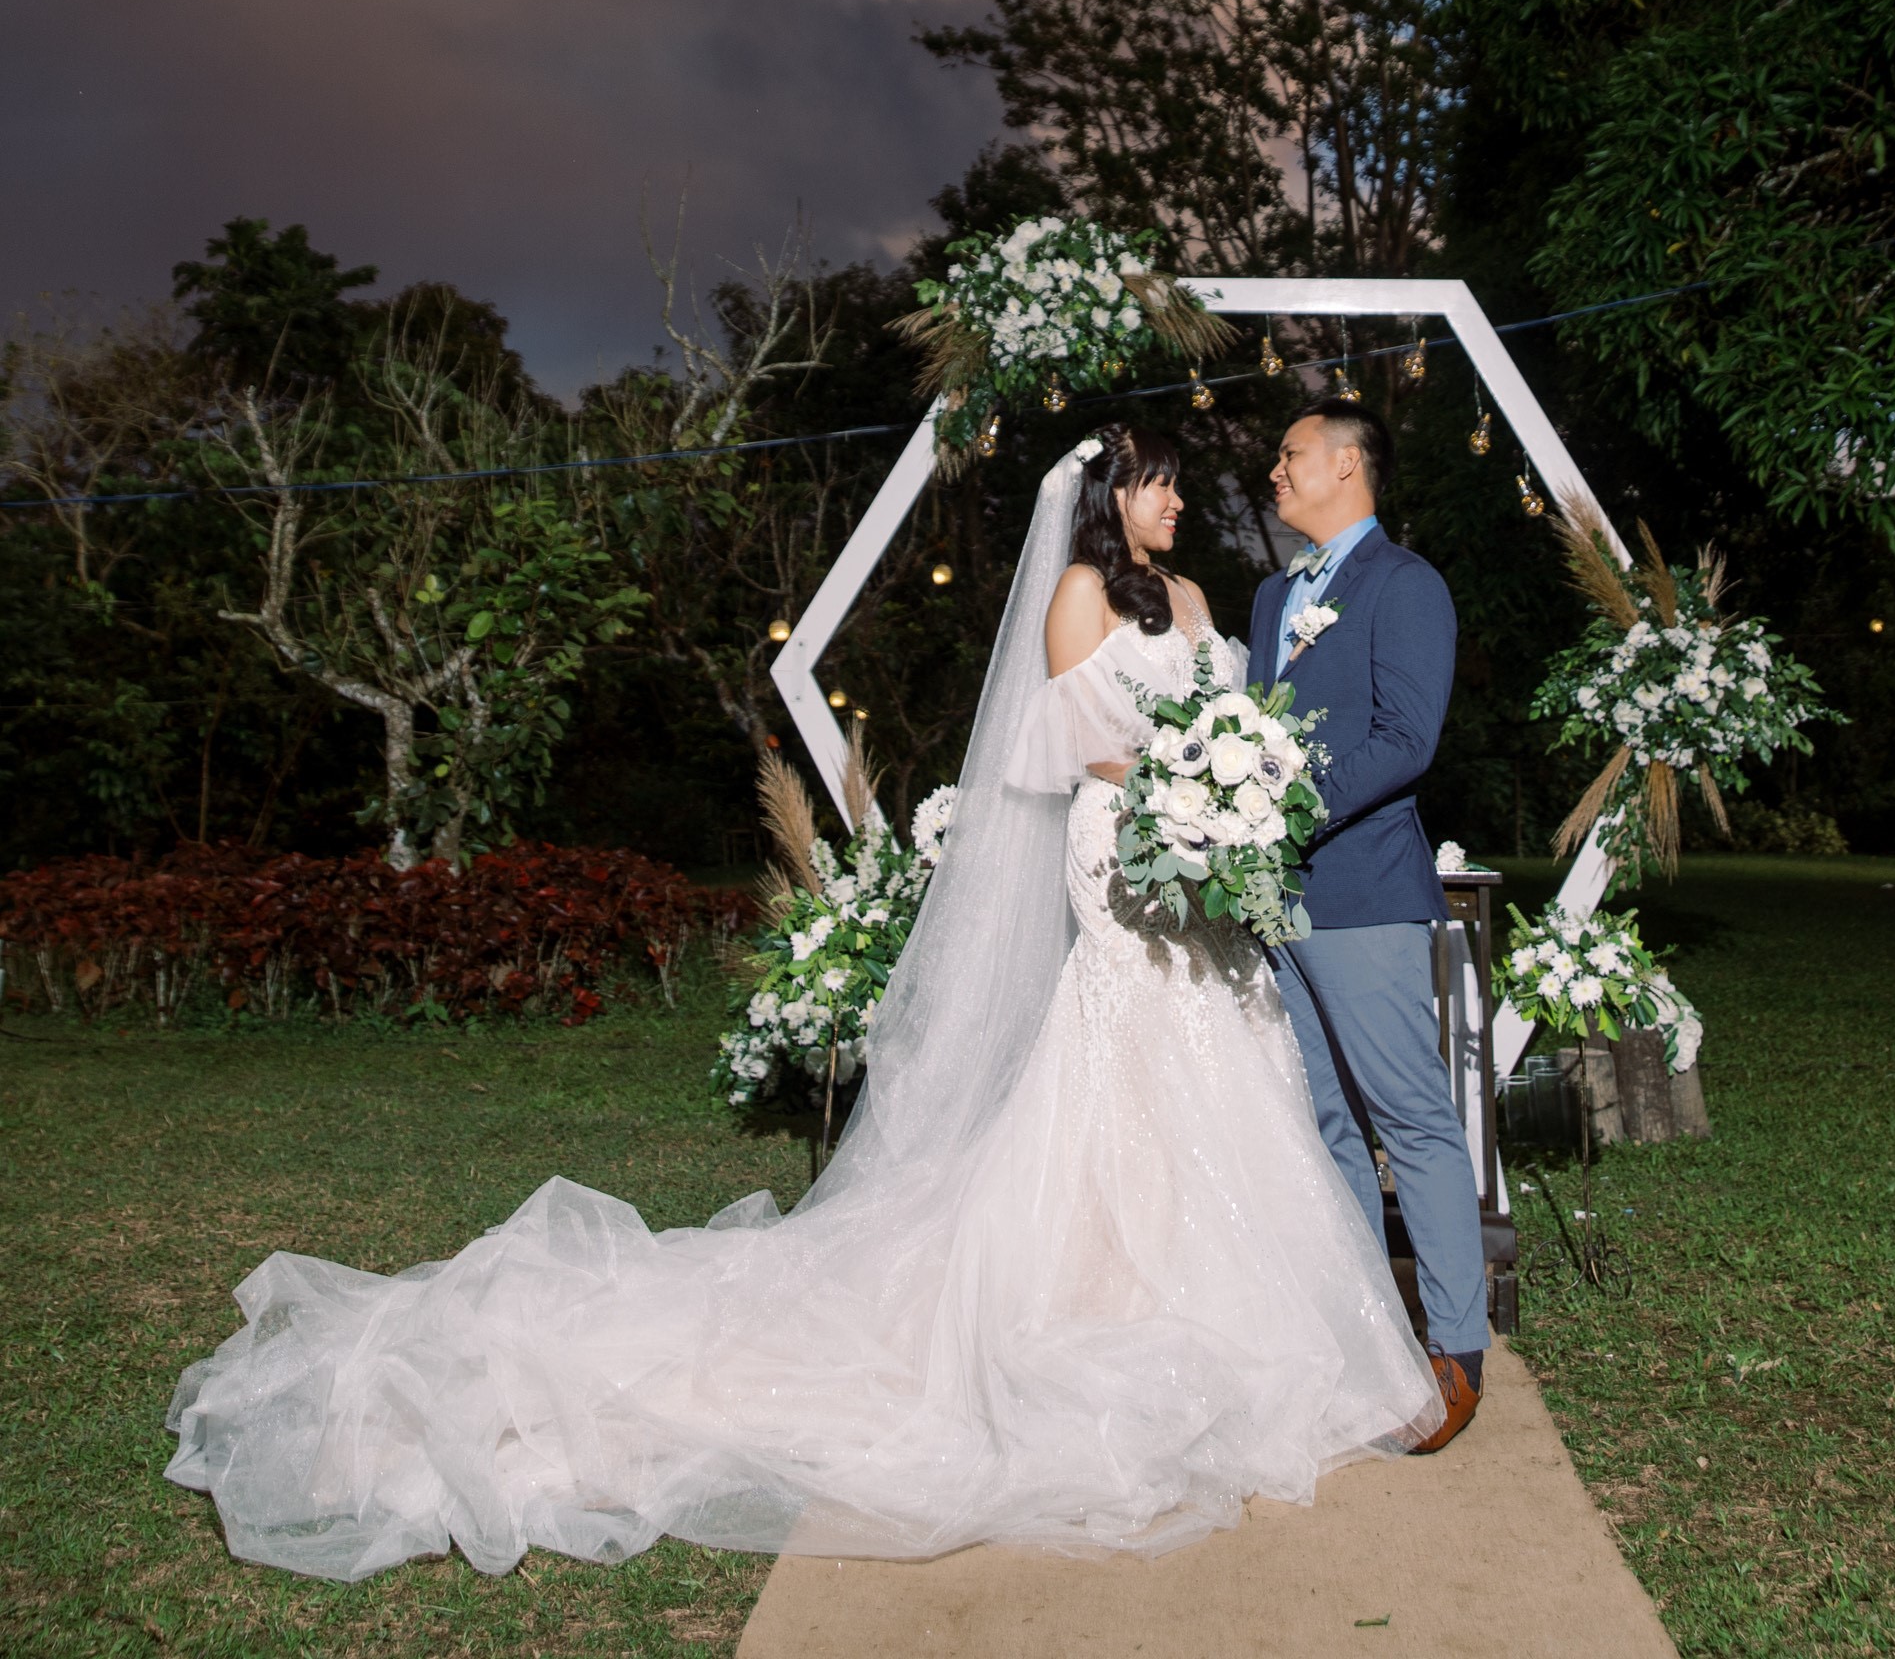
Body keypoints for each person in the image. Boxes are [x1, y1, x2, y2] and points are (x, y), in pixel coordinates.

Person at [164, 423, 1440, 1582]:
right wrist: (1176, 785)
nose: (1181, 499)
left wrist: (1226, 792)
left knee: (1230, 1079)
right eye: (1160, 482)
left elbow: (1231, 709)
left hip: (1203, 867)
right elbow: (1057, 747)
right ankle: (1096, 1294)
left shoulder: (1211, 596)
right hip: (1124, 846)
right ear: (1117, 496)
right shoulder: (1073, 594)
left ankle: (1239, 1319)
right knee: (1125, 1073)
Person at [1251, 403, 1488, 1452]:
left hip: (1362, 892)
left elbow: (1406, 737)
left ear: (1349, 465)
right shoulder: (1271, 596)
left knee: (1413, 1122)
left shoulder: (1407, 585)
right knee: (1322, 1128)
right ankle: (1364, 1342)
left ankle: (1455, 1355)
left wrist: (1283, 805)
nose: (1275, 471)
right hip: (1273, 904)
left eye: (1291, 456)